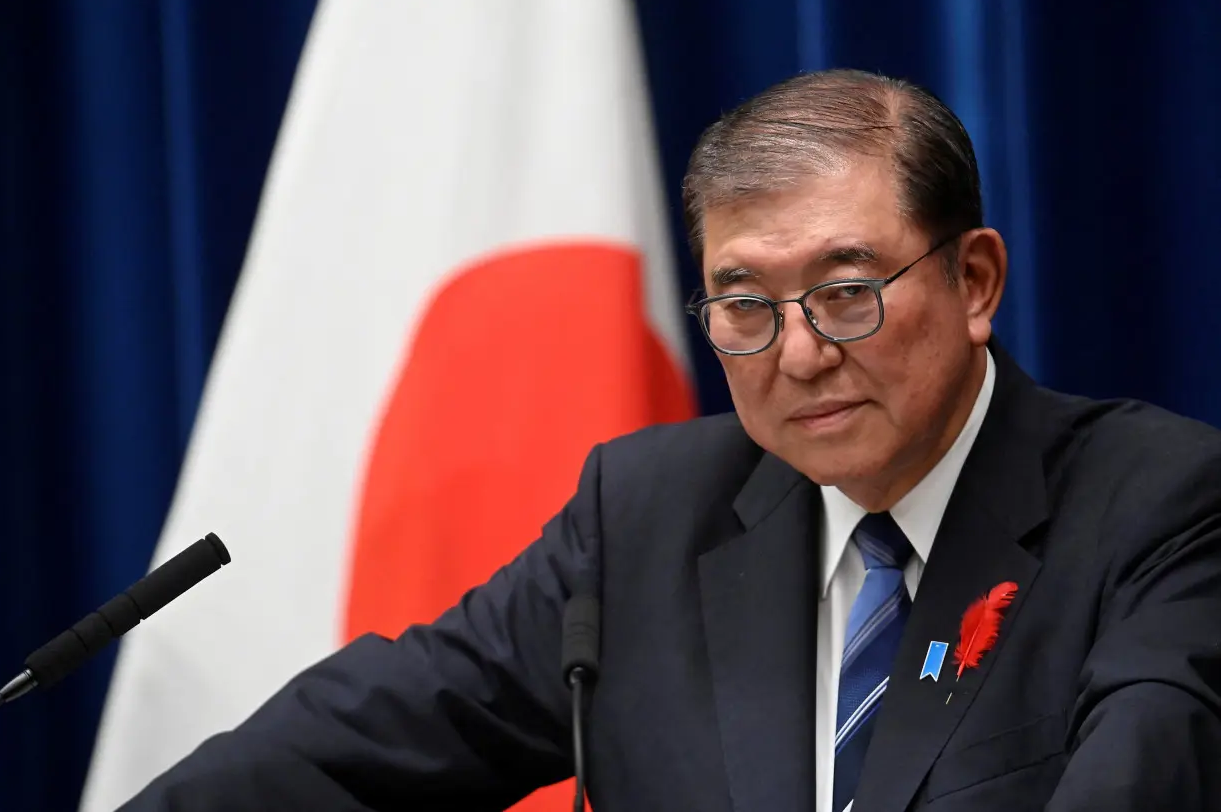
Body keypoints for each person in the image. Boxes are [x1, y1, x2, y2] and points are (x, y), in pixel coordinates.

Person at [118, 69, 1221, 811]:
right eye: (744, 305)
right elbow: (350, 748)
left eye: (846, 291)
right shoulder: (646, 513)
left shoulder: (1155, 502)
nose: (797, 355)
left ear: (973, 280)